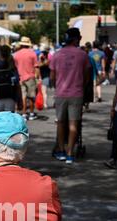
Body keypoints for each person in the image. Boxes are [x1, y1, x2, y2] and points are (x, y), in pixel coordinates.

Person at [49, 28, 90, 164]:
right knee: (74, 124)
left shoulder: (57, 54)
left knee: (60, 123)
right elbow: (87, 75)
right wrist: (81, 86)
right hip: (76, 93)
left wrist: (58, 86)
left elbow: (52, 77)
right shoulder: (82, 55)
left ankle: (61, 150)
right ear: (76, 39)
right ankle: (70, 153)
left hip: (61, 93)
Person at [0, 45, 21, 112]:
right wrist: (19, 100)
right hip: (10, 99)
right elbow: (17, 84)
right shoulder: (12, 67)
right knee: (9, 121)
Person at [14, 36, 39, 120]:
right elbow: (36, 67)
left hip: (20, 77)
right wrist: (38, 78)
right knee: (31, 96)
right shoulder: (32, 53)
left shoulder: (16, 54)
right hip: (30, 77)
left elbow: (14, 67)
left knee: (23, 96)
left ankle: (24, 114)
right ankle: (31, 113)